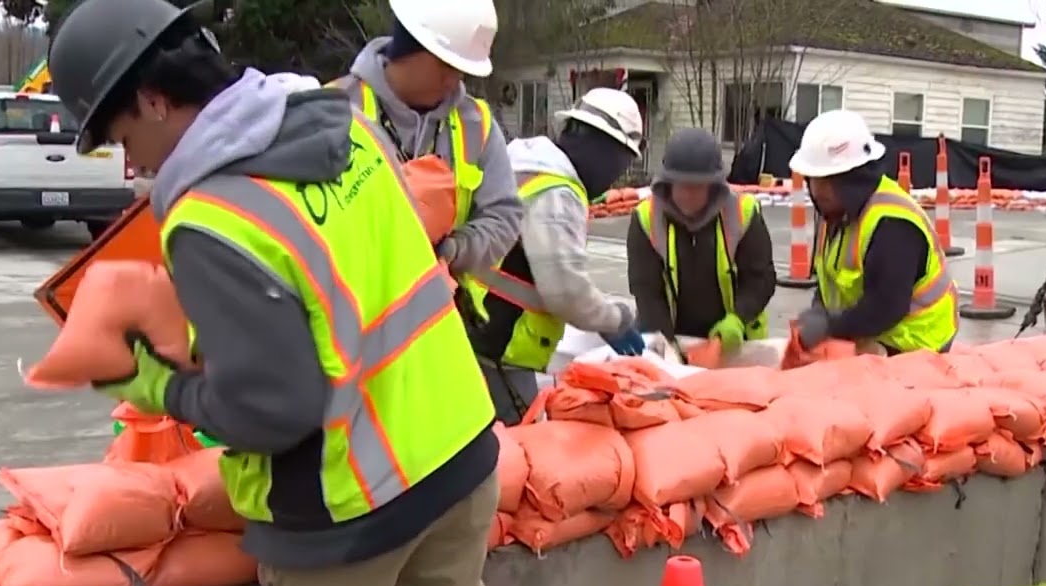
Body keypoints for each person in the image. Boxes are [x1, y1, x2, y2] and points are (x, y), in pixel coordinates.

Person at [47, 2, 509, 586]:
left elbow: (270, 411)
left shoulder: (210, 217)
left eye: (121, 136)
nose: (131, 162)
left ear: (153, 99)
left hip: (353, 506)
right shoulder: (337, 122)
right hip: (460, 447)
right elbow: (345, 287)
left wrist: (156, 384)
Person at [463, 87, 646, 423]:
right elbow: (565, 290)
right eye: (621, 163)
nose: (616, 177)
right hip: (501, 345)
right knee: (519, 445)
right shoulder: (557, 191)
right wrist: (615, 320)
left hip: (470, 325)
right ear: (605, 149)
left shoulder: (519, 164)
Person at [329, 0, 523, 276]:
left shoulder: (475, 123)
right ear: (409, 48)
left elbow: (504, 216)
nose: (453, 81)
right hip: (355, 308)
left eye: (461, 70)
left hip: (443, 312)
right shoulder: (331, 110)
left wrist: (454, 250)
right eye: (446, 66)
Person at [790, 110, 958, 355]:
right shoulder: (837, 213)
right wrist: (820, 309)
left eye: (828, 180)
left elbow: (886, 307)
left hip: (918, 342)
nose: (818, 190)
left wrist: (830, 325)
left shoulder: (892, 224)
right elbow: (833, 278)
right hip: (871, 329)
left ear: (855, 178)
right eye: (814, 180)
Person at [627, 128, 775, 354]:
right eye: (682, 186)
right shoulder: (646, 219)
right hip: (670, 334)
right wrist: (668, 347)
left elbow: (760, 279)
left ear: (713, 185)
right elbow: (646, 291)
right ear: (668, 182)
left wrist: (738, 317)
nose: (688, 196)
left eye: (697, 188)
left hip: (735, 338)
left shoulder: (742, 213)